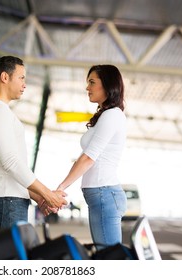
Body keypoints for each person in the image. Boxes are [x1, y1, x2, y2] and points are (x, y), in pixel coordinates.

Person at [0, 56, 67, 231]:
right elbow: (10, 162)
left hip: (7, 199)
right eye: (21, 78)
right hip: (7, 201)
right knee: (10, 256)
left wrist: (39, 196)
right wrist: (48, 194)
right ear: (4, 77)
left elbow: (5, 169)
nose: (24, 84)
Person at [56, 64, 127, 248]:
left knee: (110, 259)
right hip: (100, 195)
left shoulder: (112, 115)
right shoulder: (105, 115)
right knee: (105, 255)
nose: (87, 87)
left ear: (108, 85)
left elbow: (88, 158)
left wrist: (62, 187)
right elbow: (85, 156)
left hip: (105, 194)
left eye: (92, 82)